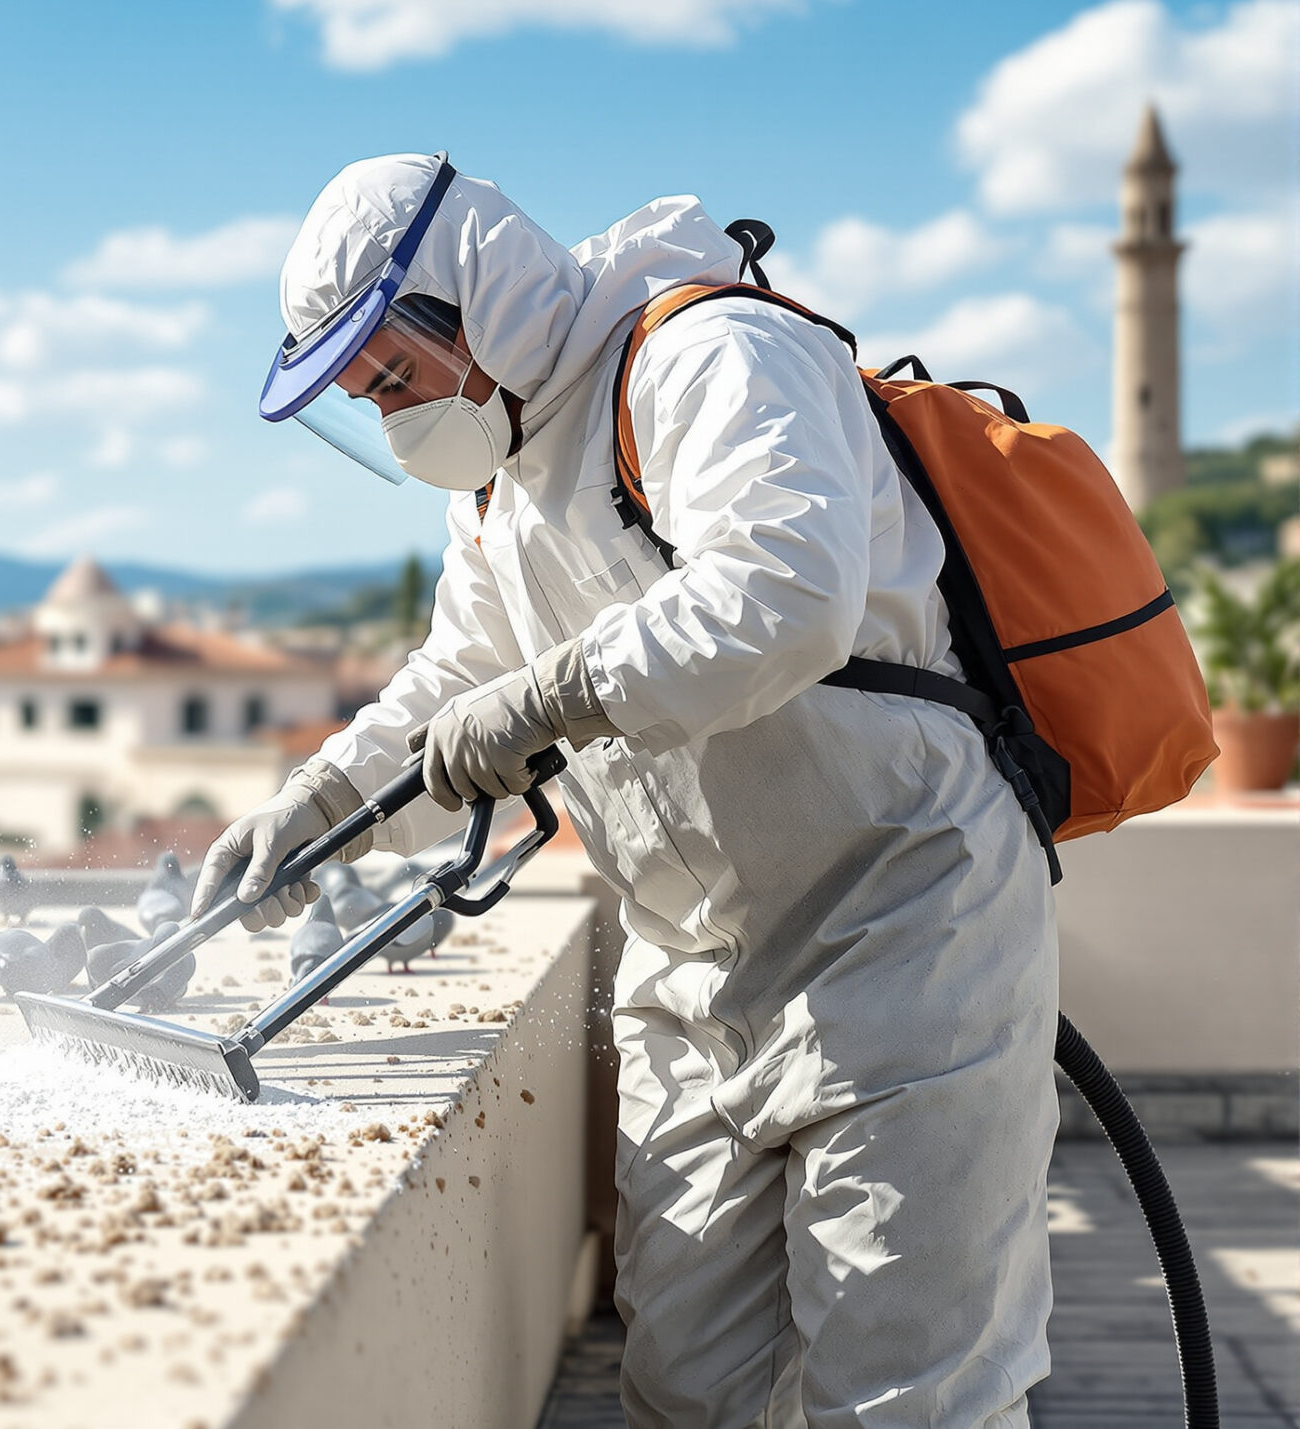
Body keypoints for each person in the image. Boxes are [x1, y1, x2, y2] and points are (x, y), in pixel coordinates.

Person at [190, 152, 1057, 1427]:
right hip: (691, 969)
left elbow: (782, 591)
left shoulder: (708, 353)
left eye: (394, 375)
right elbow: (458, 675)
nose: (390, 417)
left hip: (901, 927)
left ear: (474, 304)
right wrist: (316, 805)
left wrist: (548, 701)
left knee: (907, 1389)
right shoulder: (498, 486)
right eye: (365, 399)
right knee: (688, 1388)